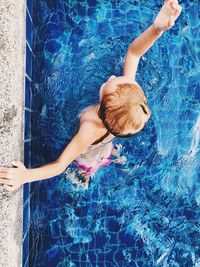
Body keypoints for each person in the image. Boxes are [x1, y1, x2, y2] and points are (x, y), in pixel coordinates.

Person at [0, 0, 182, 192]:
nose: (113, 76)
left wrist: (25, 176)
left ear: (102, 105)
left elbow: (60, 165)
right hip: (107, 142)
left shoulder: (89, 127)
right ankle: (112, 155)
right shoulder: (124, 105)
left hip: (88, 158)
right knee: (106, 147)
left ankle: (85, 176)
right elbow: (134, 53)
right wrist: (157, 29)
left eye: (109, 82)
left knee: (82, 170)